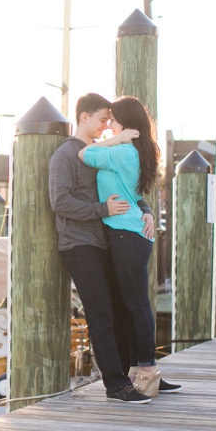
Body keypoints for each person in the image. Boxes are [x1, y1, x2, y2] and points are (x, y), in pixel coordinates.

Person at [49, 93, 158, 404]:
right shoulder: (66, 155)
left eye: (110, 120)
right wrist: (102, 210)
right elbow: (60, 202)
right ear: (84, 117)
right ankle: (114, 384)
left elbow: (125, 187)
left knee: (123, 310)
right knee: (101, 313)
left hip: (105, 240)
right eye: (102, 120)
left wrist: (146, 209)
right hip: (79, 243)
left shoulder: (106, 150)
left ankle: (134, 377)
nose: (107, 125)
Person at [79, 95, 168, 398]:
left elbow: (85, 154)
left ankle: (147, 368)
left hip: (125, 235)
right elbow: (133, 193)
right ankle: (140, 368)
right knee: (134, 306)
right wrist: (148, 212)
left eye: (113, 120)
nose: (109, 125)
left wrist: (116, 138)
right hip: (131, 232)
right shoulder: (132, 151)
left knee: (137, 305)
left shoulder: (122, 151)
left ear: (126, 124)